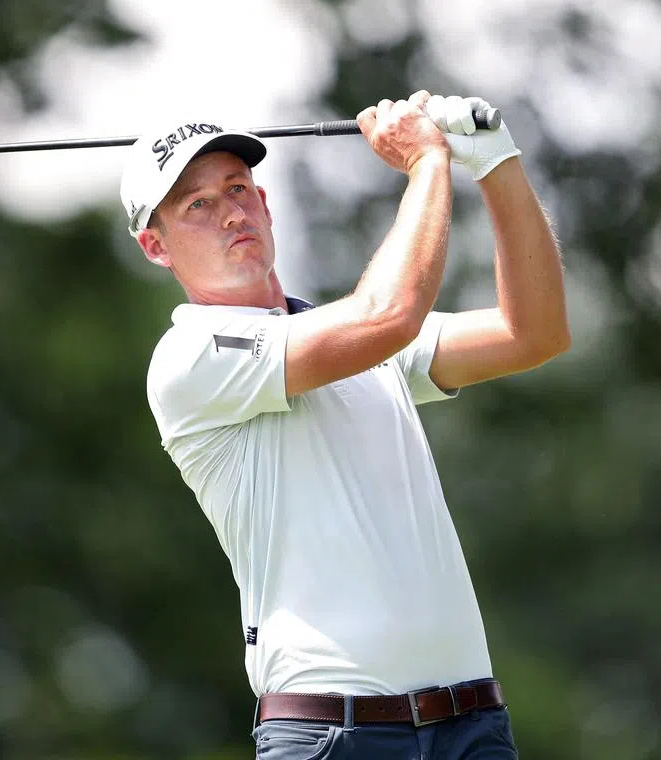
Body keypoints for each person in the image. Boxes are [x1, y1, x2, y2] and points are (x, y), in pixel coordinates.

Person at [119, 91, 569, 760]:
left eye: (238, 188)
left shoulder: (356, 339)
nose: (231, 213)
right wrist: (425, 165)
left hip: (471, 727)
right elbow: (389, 314)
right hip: (334, 736)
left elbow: (532, 333)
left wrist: (496, 162)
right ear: (156, 246)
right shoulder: (188, 359)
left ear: (267, 204)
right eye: (198, 205)